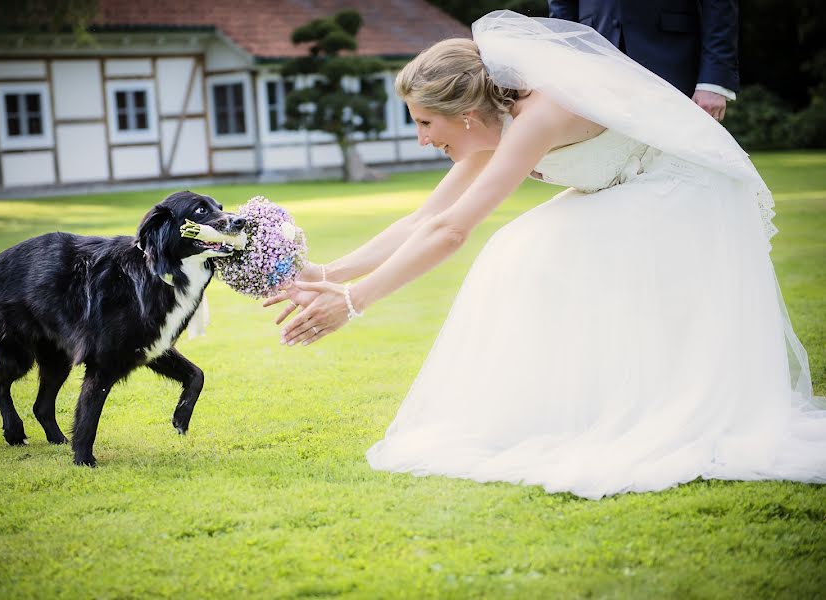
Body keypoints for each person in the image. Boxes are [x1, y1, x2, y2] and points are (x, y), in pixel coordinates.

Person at [263, 11, 826, 499]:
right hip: (626, 190)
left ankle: (624, 416)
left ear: (462, 113)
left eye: (423, 123)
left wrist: (354, 302)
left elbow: (453, 232)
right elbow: (424, 219)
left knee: (522, 246)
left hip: (685, 190)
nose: (421, 140)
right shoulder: (491, 123)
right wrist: (326, 273)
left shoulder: (537, 116)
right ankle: (578, 411)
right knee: (527, 249)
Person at [547, 0, 738, 121]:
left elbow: (720, 7)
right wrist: (564, 73)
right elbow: (561, 6)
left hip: (672, 63)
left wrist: (713, 80)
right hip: (593, 66)